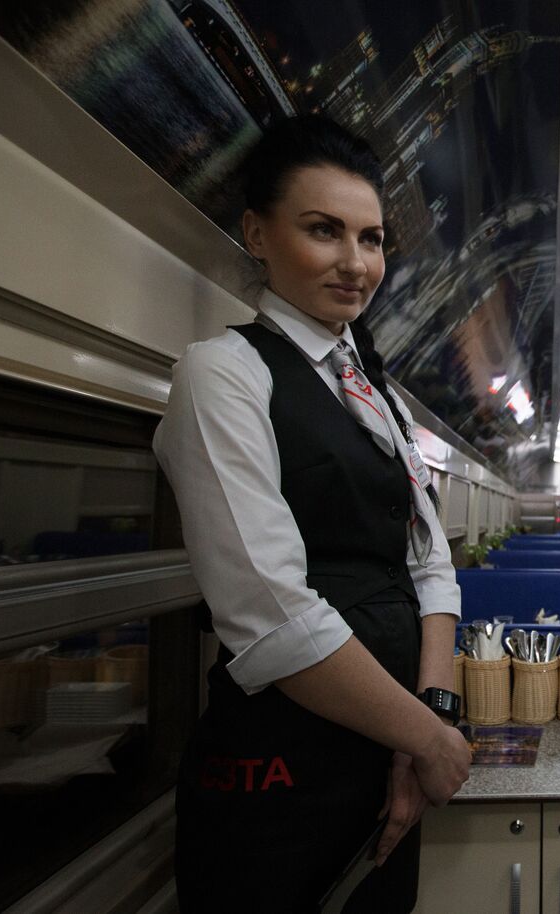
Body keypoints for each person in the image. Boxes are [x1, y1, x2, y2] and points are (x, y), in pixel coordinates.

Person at [153, 116, 470, 914]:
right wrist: (430, 740)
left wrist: (423, 721)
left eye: (371, 239)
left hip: (391, 753)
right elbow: (270, 613)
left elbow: (429, 564)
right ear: (257, 234)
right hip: (282, 776)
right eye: (323, 231)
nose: (356, 264)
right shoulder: (223, 372)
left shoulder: (376, 393)